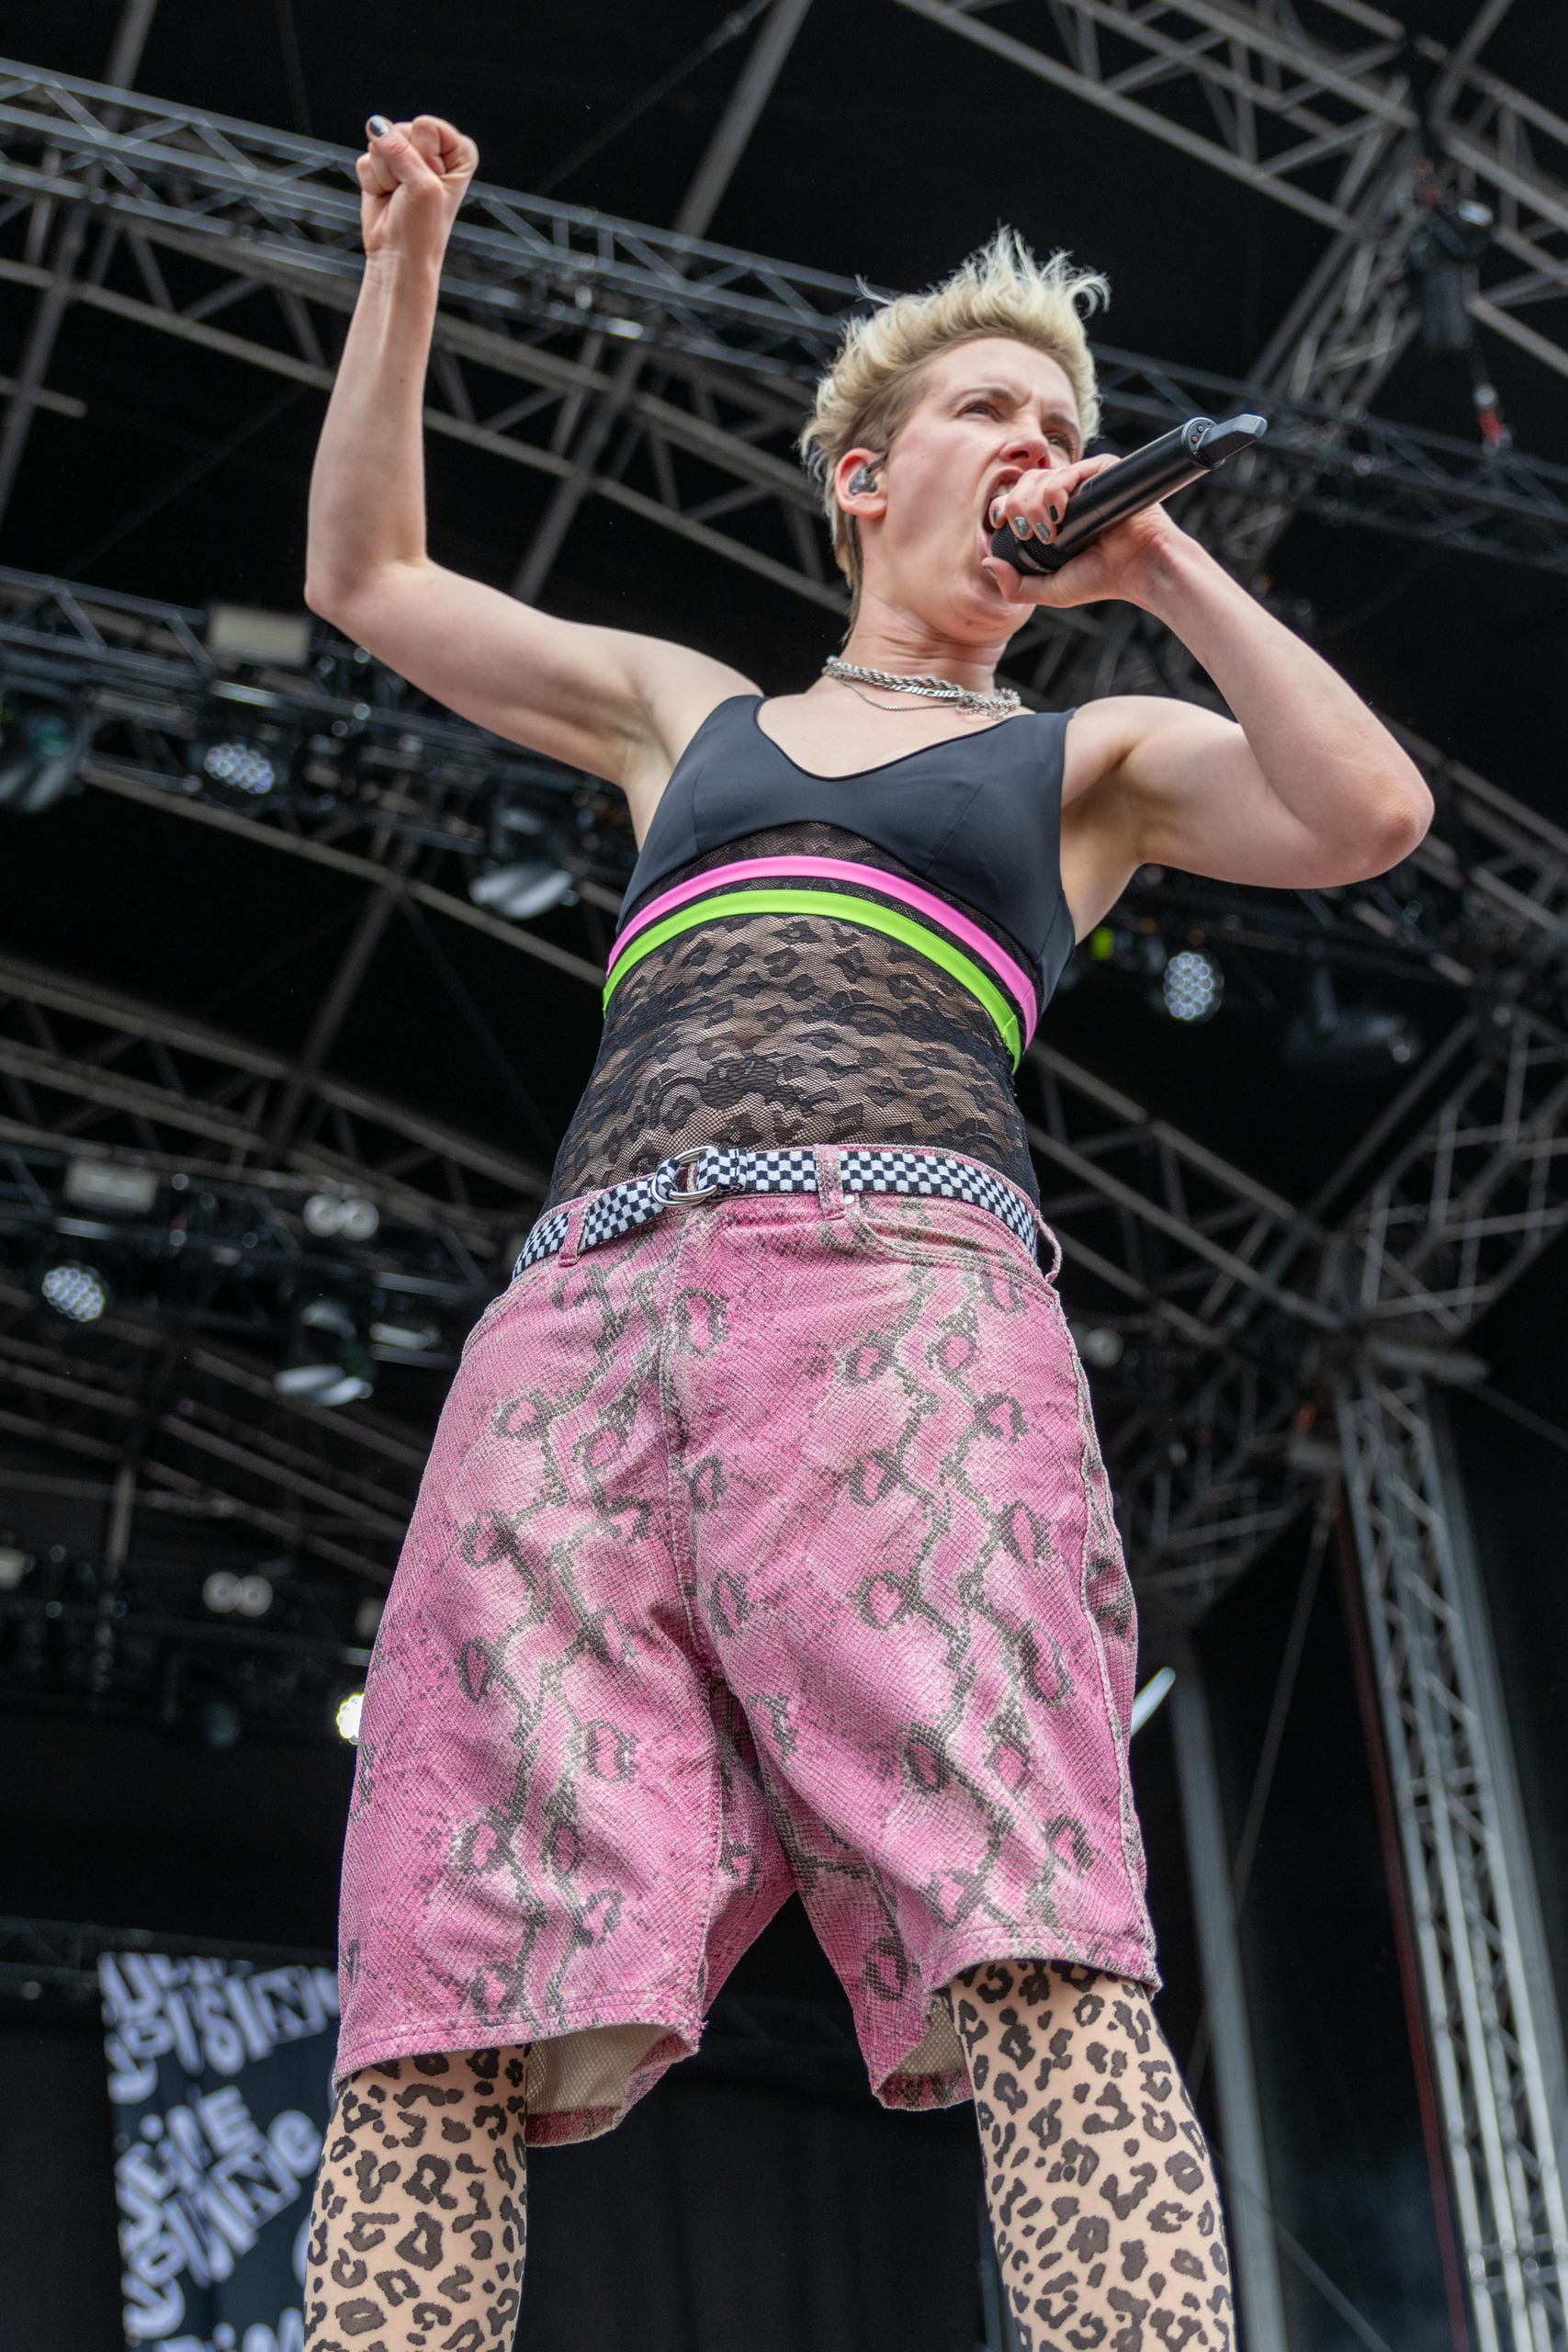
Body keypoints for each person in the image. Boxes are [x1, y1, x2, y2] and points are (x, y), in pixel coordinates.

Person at [299, 111, 1431, 2352]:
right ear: (861, 476)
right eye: (994, 411)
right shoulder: (687, 716)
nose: (1038, 450)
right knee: (443, 1943)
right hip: (582, 1317)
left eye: (1064, 431)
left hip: (899, 1300)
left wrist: (1160, 572)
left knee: (1022, 1894)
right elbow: (371, 578)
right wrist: (404, 269)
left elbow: (1366, 808)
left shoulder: (1083, 762)